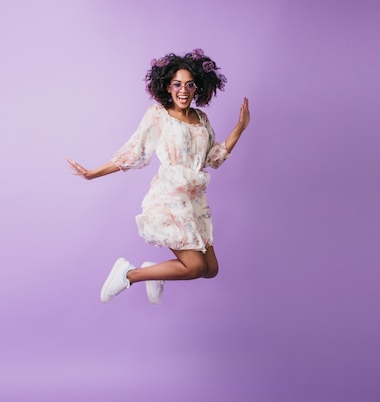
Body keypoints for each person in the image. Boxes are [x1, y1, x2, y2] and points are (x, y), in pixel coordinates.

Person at [66, 48, 250, 304]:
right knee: (194, 266)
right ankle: (129, 274)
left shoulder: (201, 119)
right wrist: (91, 174)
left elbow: (213, 159)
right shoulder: (158, 116)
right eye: (177, 84)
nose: (183, 90)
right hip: (169, 197)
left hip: (195, 201)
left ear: (198, 88)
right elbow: (133, 153)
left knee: (210, 269)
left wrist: (239, 129)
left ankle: (155, 273)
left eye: (189, 84)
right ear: (167, 87)